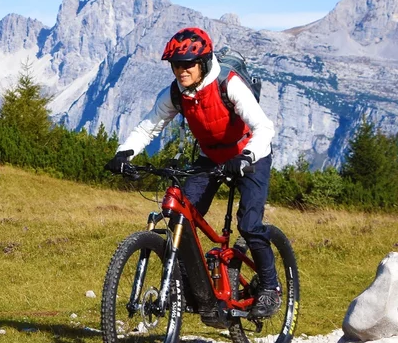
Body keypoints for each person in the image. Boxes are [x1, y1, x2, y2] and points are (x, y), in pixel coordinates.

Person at [105, 27, 280, 319]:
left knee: (249, 226)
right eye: (176, 64)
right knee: (180, 217)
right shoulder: (175, 92)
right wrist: (125, 153)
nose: (181, 70)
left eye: (187, 64)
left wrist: (246, 155)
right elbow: (149, 126)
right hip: (210, 157)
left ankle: (271, 288)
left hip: (250, 154)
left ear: (204, 62)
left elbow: (265, 127)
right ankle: (195, 289)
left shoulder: (229, 84)